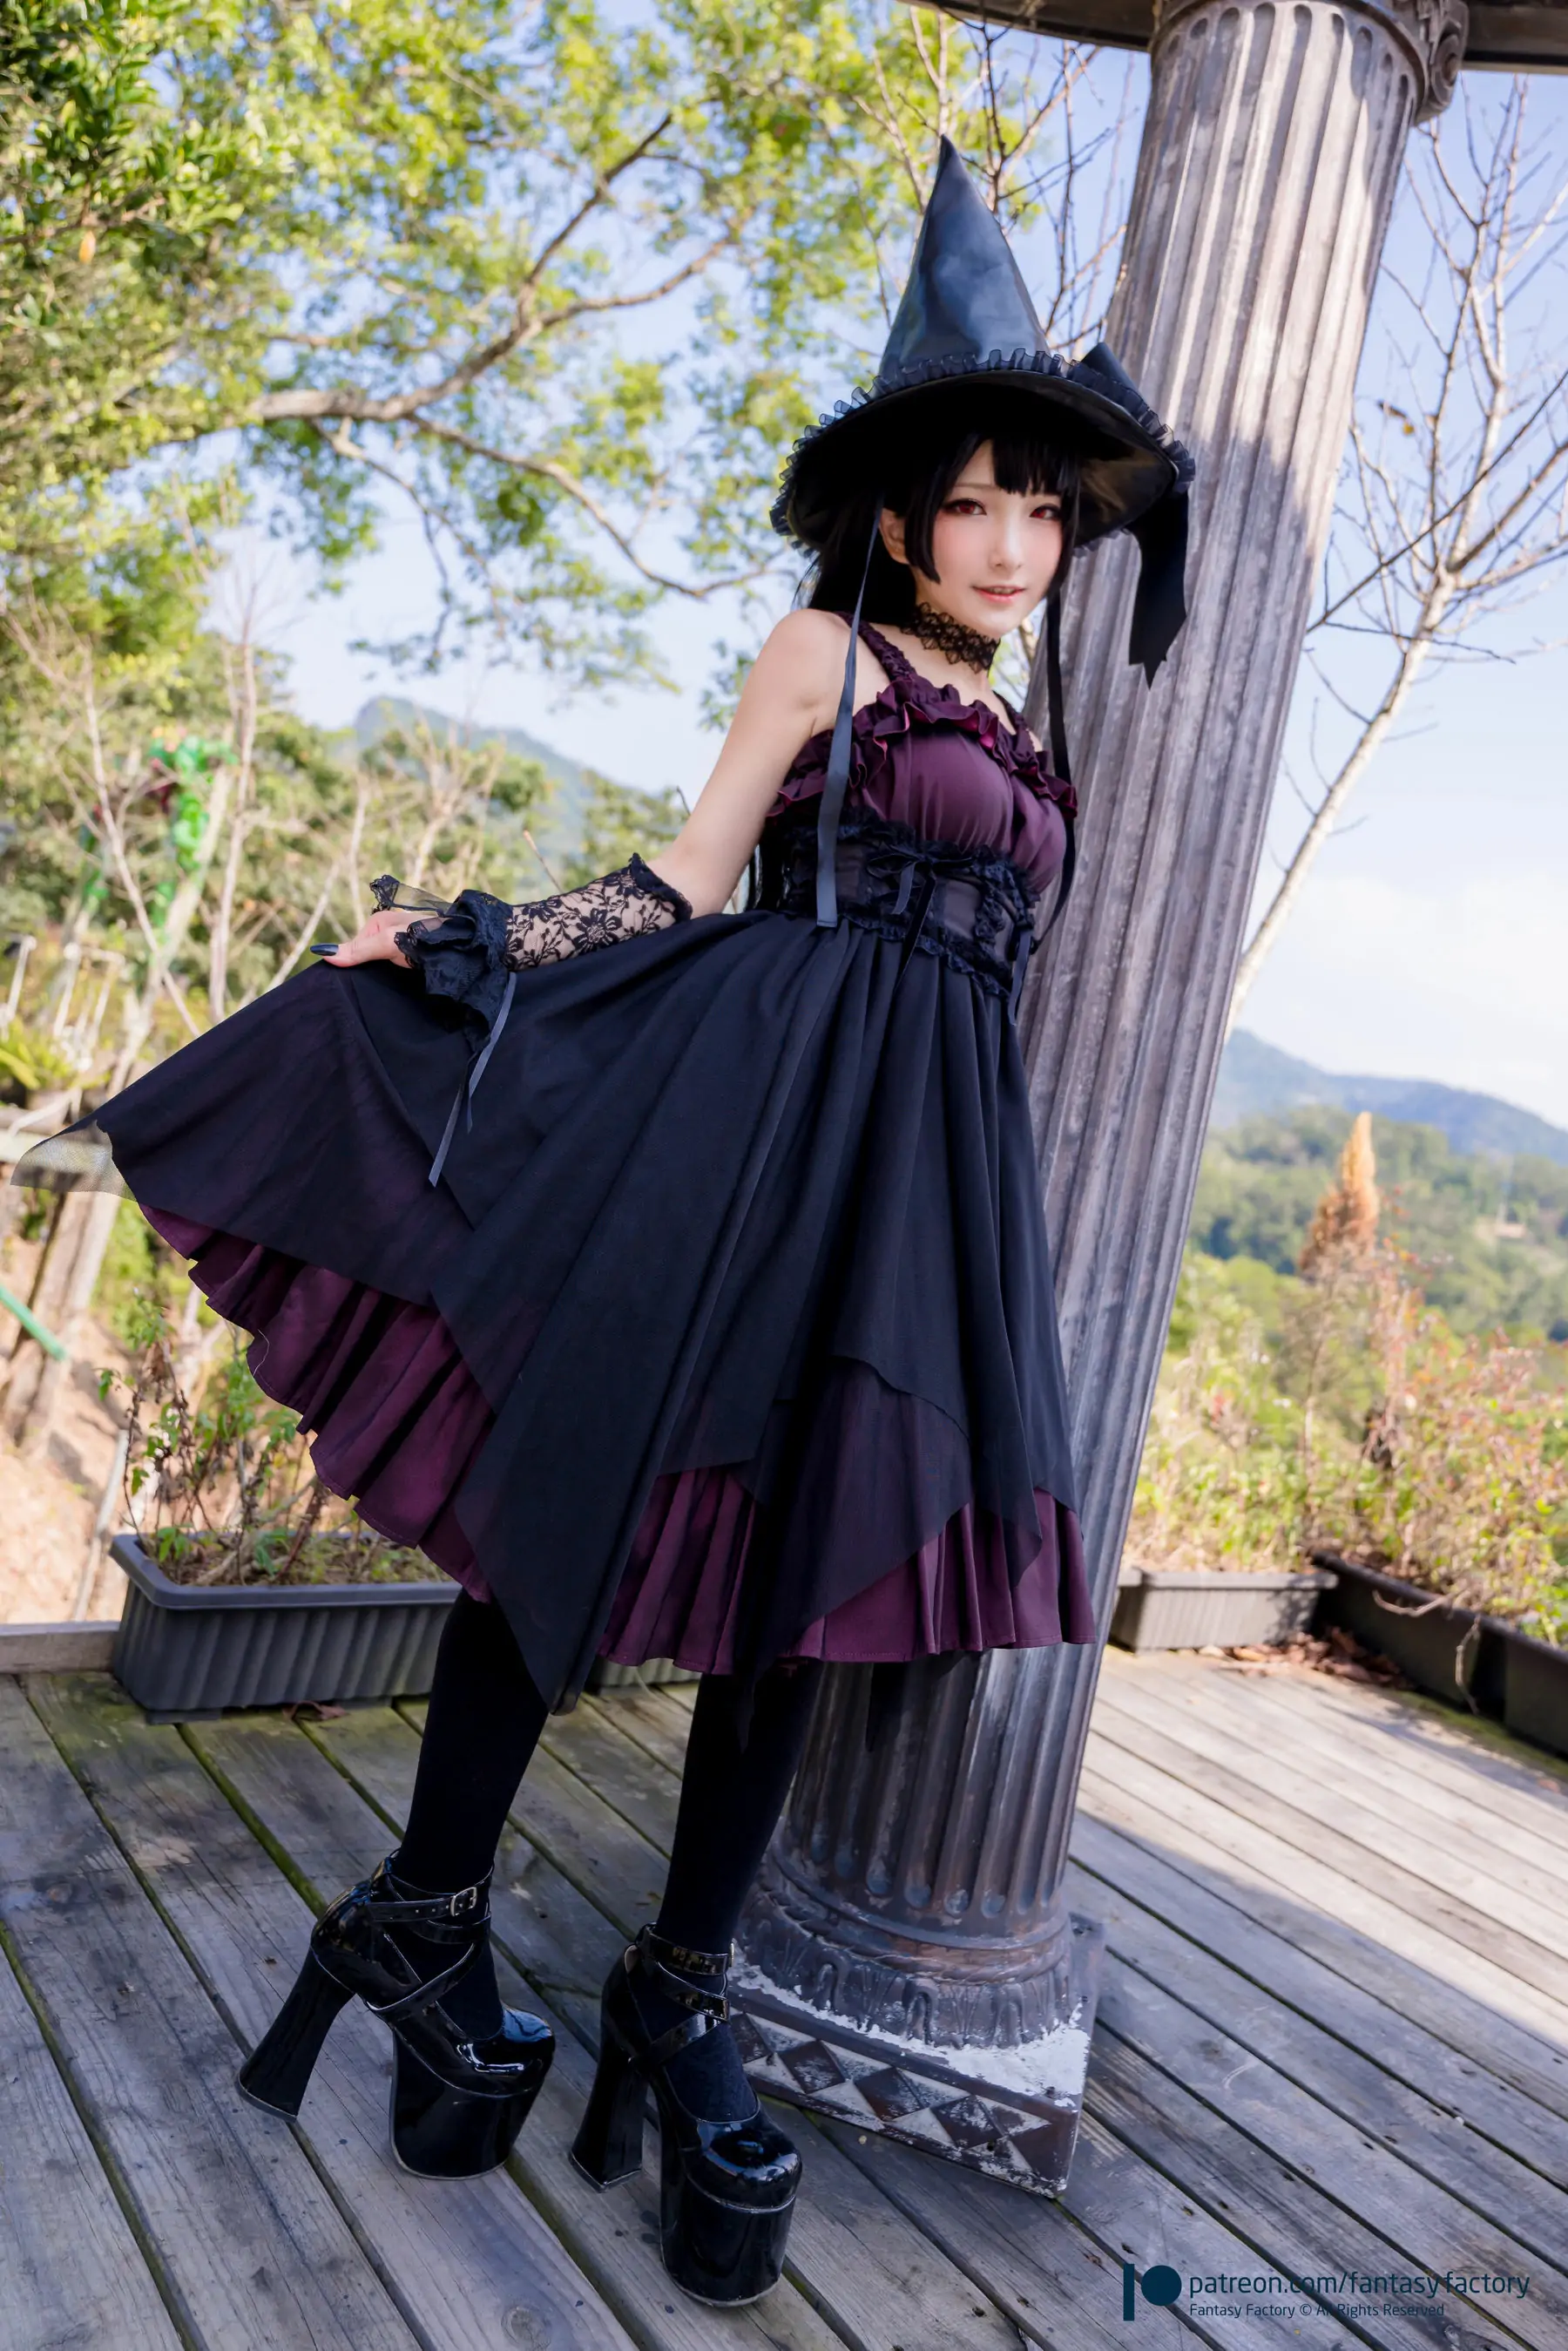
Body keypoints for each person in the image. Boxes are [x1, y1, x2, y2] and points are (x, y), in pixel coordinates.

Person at [17, 141, 1191, 2307]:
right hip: (757, 1123)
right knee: (583, 1494)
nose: (1015, 542)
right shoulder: (824, 654)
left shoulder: (1025, 713)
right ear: (901, 518)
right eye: (975, 504)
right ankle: (427, 1908)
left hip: (922, 1169)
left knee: (805, 1581)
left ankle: (682, 1981)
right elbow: (686, 875)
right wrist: (462, 940)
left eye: (1044, 509)